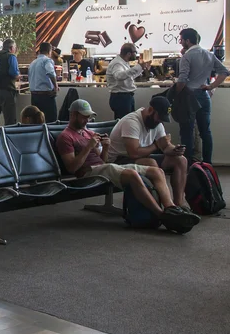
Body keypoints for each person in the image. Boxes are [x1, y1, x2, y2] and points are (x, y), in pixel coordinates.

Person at [55, 99, 199, 232]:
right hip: (87, 172)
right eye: (84, 117)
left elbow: (103, 161)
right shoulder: (65, 137)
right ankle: (161, 215)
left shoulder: (89, 133)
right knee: (132, 174)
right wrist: (88, 147)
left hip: (103, 168)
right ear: (73, 115)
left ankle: (171, 209)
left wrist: (105, 147)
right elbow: (72, 168)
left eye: (89, 117)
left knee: (157, 171)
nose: (87, 120)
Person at [107, 96, 188, 207]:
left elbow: (165, 146)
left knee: (181, 160)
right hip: (119, 161)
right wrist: (155, 145)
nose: (160, 121)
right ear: (150, 110)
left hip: (140, 157)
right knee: (150, 163)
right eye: (159, 117)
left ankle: (179, 205)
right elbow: (133, 153)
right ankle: (163, 206)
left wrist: (174, 150)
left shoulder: (156, 123)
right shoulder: (131, 122)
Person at [177, 27, 229, 164]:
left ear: (188, 41)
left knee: (187, 132)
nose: (181, 42)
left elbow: (182, 80)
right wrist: (211, 86)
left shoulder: (187, 56)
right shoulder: (209, 54)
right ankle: (207, 164)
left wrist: (175, 94)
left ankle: (186, 165)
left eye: (181, 40)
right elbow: (224, 72)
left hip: (189, 96)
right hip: (204, 96)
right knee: (205, 132)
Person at [107, 43, 151, 119]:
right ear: (129, 54)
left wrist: (141, 69)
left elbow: (128, 77)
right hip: (121, 98)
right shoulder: (117, 63)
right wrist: (138, 67)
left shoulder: (123, 62)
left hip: (124, 97)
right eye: (135, 52)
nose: (136, 55)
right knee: (125, 122)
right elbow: (119, 76)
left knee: (128, 121)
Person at [0, 38, 20, 127]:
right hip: (6, 90)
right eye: (15, 47)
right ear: (11, 47)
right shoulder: (11, 56)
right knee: (9, 119)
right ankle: (8, 139)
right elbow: (14, 73)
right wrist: (19, 76)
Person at [28, 42, 59, 123]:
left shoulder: (33, 63)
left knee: (36, 121)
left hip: (34, 96)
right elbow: (50, 72)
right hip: (45, 96)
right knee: (51, 121)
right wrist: (55, 87)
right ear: (50, 51)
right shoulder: (47, 60)